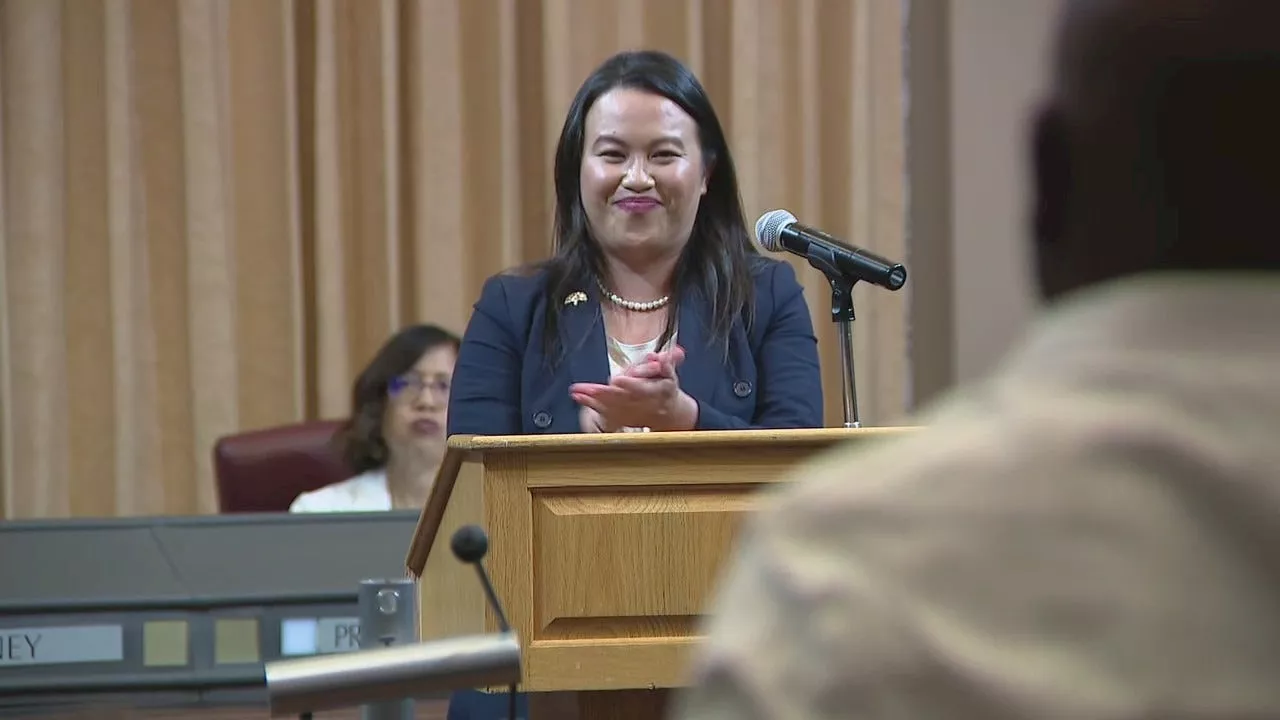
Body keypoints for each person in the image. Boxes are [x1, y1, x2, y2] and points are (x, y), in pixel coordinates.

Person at [675, 1, 1280, 718]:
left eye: (662, 154)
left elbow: (791, 428)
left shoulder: (840, 575)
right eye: (613, 153)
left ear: (1047, 187)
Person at [447, 50, 823, 439]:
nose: (638, 177)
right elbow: (475, 475)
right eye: (613, 155)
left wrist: (686, 419)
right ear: (578, 169)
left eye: (663, 155)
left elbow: (796, 464)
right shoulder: (512, 307)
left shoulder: (766, 297)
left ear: (706, 173)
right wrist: (584, 437)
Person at [290, 324, 459, 513]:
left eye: (444, 386)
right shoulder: (318, 511)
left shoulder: (494, 510)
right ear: (379, 404)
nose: (426, 402)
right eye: (408, 384)